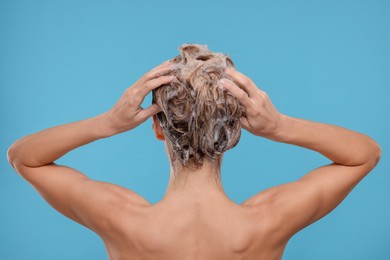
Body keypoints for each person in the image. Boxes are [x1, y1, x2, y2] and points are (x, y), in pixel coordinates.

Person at [7, 43, 381, 260]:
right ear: (235, 129)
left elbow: (23, 156)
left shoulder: (122, 219)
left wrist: (107, 122)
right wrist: (280, 126)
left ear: (156, 128)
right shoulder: (267, 221)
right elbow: (365, 153)